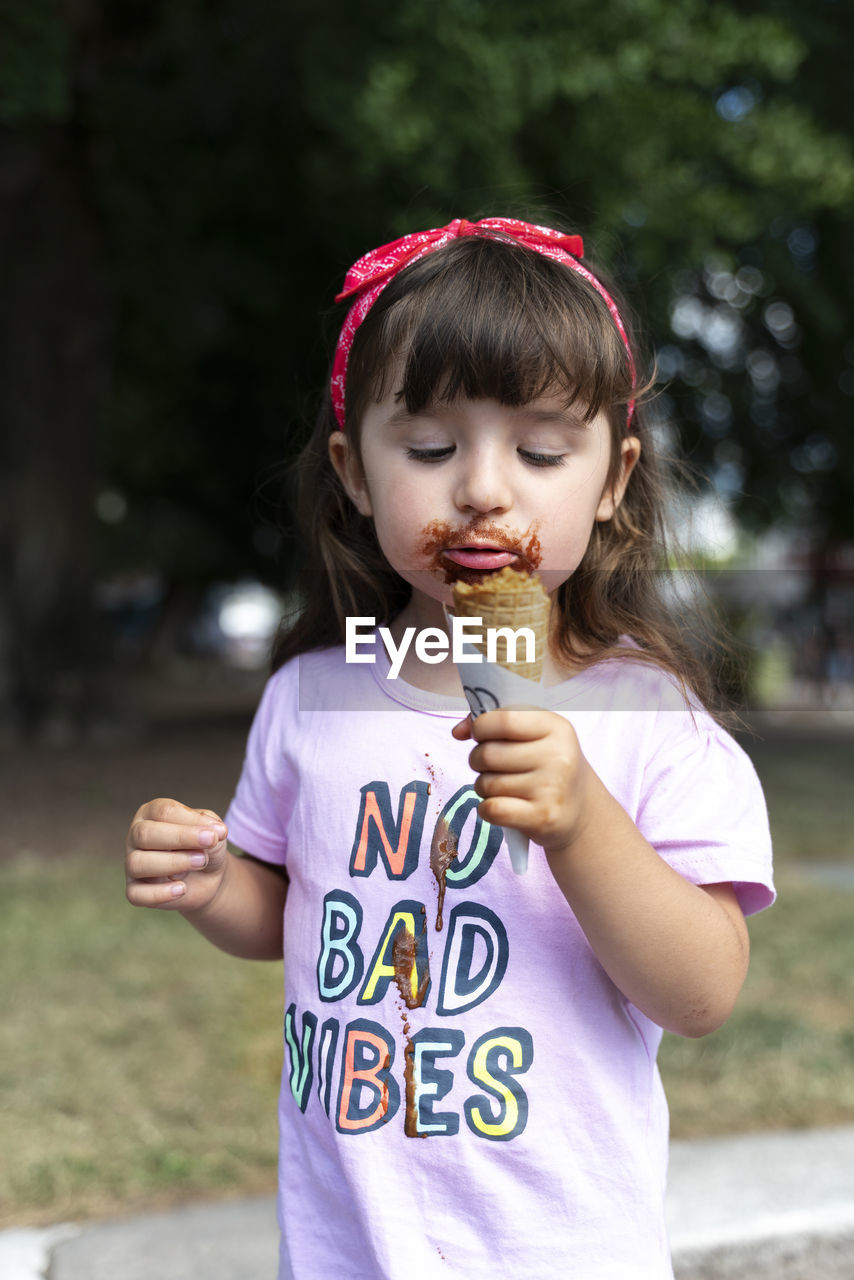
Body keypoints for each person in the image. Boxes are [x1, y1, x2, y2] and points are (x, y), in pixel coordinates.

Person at [125, 216, 774, 1279]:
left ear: (610, 479)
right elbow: (290, 915)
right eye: (429, 447)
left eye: (539, 450)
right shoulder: (310, 697)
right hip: (345, 1245)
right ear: (355, 469)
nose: (481, 486)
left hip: (556, 1250)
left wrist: (581, 823)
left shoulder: (647, 718)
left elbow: (699, 992)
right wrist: (210, 881)